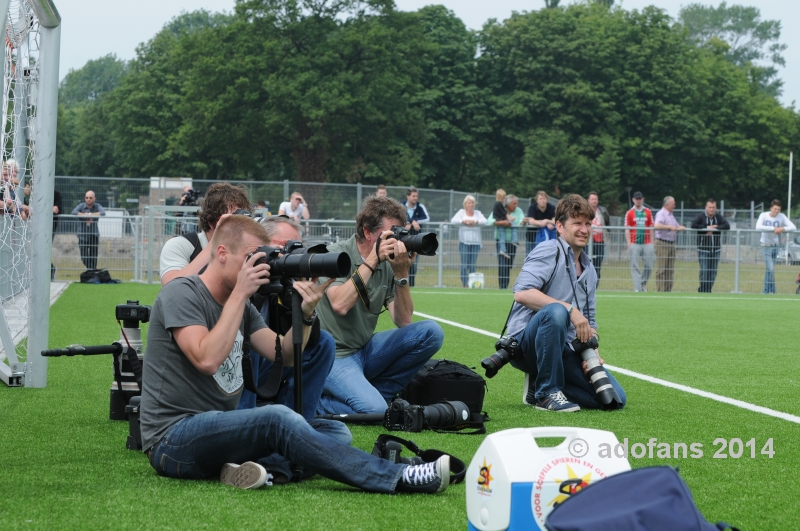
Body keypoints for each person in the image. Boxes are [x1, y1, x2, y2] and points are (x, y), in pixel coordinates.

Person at [140, 215, 449, 493]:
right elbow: (206, 359)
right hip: (173, 440)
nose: (258, 266)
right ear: (221, 253)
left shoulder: (241, 306)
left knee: (336, 432)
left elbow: (284, 354)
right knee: (279, 420)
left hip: (220, 429)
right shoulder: (181, 293)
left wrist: (307, 313)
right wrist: (240, 293)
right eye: (250, 258)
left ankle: (266, 468)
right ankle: (398, 476)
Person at [315, 195, 444, 415]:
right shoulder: (334, 255)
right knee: (374, 409)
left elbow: (403, 320)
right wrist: (372, 260)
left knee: (431, 332)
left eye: (400, 233)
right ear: (367, 232)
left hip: (364, 350)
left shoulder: (389, 264)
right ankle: (314, 402)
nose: (398, 240)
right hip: (333, 356)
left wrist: (401, 273)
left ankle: (379, 396)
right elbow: (339, 304)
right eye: (392, 233)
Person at [507, 194, 626, 412]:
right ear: (560, 226)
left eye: (588, 223)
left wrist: (592, 350)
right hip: (526, 345)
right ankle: (546, 393)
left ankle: (537, 384)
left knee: (613, 398)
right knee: (557, 312)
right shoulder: (549, 249)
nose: (584, 229)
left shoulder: (590, 270)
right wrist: (569, 309)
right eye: (577, 223)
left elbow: (590, 321)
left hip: (563, 347)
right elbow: (522, 293)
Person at [160, 182, 252, 286]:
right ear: (212, 222)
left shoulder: (250, 250)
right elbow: (172, 287)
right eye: (234, 220)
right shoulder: (181, 246)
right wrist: (218, 239)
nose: (241, 227)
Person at [756, 199, 797, 294]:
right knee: (770, 268)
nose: (777, 211)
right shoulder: (764, 215)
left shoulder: (782, 216)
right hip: (765, 246)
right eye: (775, 209)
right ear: (771, 208)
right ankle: (771, 290)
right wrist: (773, 229)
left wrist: (782, 228)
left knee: (769, 270)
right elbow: (758, 227)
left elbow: (793, 227)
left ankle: (767, 291)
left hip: (775, 246)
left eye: (778, 209)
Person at [690, 199, 730, 293]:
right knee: (704, 271)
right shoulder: (701, 216)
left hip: (716, 250)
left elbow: (727, 225)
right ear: (706, 208)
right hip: (703, 250)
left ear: (716, 208)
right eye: (710, 207)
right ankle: (703, 290)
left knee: (713, 272)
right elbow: (693, 224)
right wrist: (706, 228)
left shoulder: (718, 217)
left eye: (713, 207)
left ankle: (708, 289)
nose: (711, 209)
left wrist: (715, 228)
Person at [450, 195, 486, 288]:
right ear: (465, 204)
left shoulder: (478, 213)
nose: (471, 204)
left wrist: (474, 221)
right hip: (464, 242)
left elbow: (484, 221)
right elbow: (453, 221)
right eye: (469, 203)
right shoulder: (461, 212)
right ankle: (465, 284)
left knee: (472, 265)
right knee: (464, 265)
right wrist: (464, 221)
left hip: (475, 243)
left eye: (472, 203)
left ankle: (472, 284)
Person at [653, 196, 685, 292]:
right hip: (662, 243)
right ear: (667, 205)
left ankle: (668, 291)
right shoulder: (661, 213)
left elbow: (675, 226)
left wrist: (680, 227)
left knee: (670, 269)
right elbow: (657, 225)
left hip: (671, 244)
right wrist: (670, 227)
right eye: (673, 204)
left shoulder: (671, 215)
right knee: (661, 269)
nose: (674, 206)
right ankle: (661, 291)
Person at [624, 191, 654, 292]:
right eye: (636, 199)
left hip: (647, 242)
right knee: (634, 265)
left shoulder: (648, 212)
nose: (638, 200)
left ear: (642, 199)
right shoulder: (629, 213)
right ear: (633, 199)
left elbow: (651, 227)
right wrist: (629, 243)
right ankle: (637, 288)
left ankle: (642, 283)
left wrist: (652, 243)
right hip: (634, 242)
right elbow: (627, 229)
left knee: (649, 265)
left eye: (640, 198)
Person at [494, 194, 525, 289]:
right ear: (507, 204)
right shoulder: (500, 208)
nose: (516, 205)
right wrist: (503, 223)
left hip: (512, 242)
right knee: (503, 264)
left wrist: (523, 222)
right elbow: (490, 220)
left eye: (516, 203)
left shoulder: (519, 211)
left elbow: (521, 220)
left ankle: (505, 285)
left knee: (509, 264)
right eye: (514, 203)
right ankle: (502, 286)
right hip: (501, 241)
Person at [401, 186, 430, 287]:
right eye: (413, 196)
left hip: (417, 240)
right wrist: (408, 222)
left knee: (414, 263)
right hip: (403, 239)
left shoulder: (420, 206)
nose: (415, 198)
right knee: (402, 262)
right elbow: (397, 218)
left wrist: (413, 221)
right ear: (408, 196)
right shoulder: (401, 206)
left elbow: (427, 218)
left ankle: (412, 285)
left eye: (417, 196)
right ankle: (402, 283)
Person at [71, 190, 106, 270]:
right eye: (87, 197)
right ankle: (92, 270)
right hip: (82, 235)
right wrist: (84, 215)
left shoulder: (97, 206)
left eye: (90, 198)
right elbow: (74, 212)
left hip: (93, 234)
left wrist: (91, 215)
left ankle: (92, 272)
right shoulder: (81, 206)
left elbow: (103, 212)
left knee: (93, 256)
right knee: (84, 256)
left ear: (94, 199)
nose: (88, 199)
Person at [586, 192, 610, 280]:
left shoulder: (602, 211)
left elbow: (607, 224)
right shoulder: (584, 211)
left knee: (598, 263)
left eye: (596, 199)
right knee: (586, 263)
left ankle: (595, 283)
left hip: (600, 241)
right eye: (592, 199)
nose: (594, 201)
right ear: (588, 200)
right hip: (587, 242)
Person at [524, 191, 555, 256]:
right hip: (531, 237)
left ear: (547, 200)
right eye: (541, 199)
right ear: (537, 200)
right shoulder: (532, 207)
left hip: (547, 239)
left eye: (544, 198)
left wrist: (546, 221)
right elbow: (531, 221)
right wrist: (544, 223)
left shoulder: (551, 208)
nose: (542, 201)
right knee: (530, 256)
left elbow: (555, 220)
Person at [492, 188, 517, 259]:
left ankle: (503, 250)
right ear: (498, 197)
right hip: (501, 221)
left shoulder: (496, 204)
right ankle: (514, 240)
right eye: (502, 198)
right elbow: (504, 213)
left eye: (503, 198)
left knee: (502, 237)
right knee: (514, 225)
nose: (503, 200)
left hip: (500, 221)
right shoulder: (499, 204)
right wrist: (509, 218)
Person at [52, 188, 63, 280]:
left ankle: (50, 269)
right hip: (34, 227)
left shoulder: (56, 194)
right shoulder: (37, 193)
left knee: (45, 250)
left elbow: (57, 210)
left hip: (51, 227)